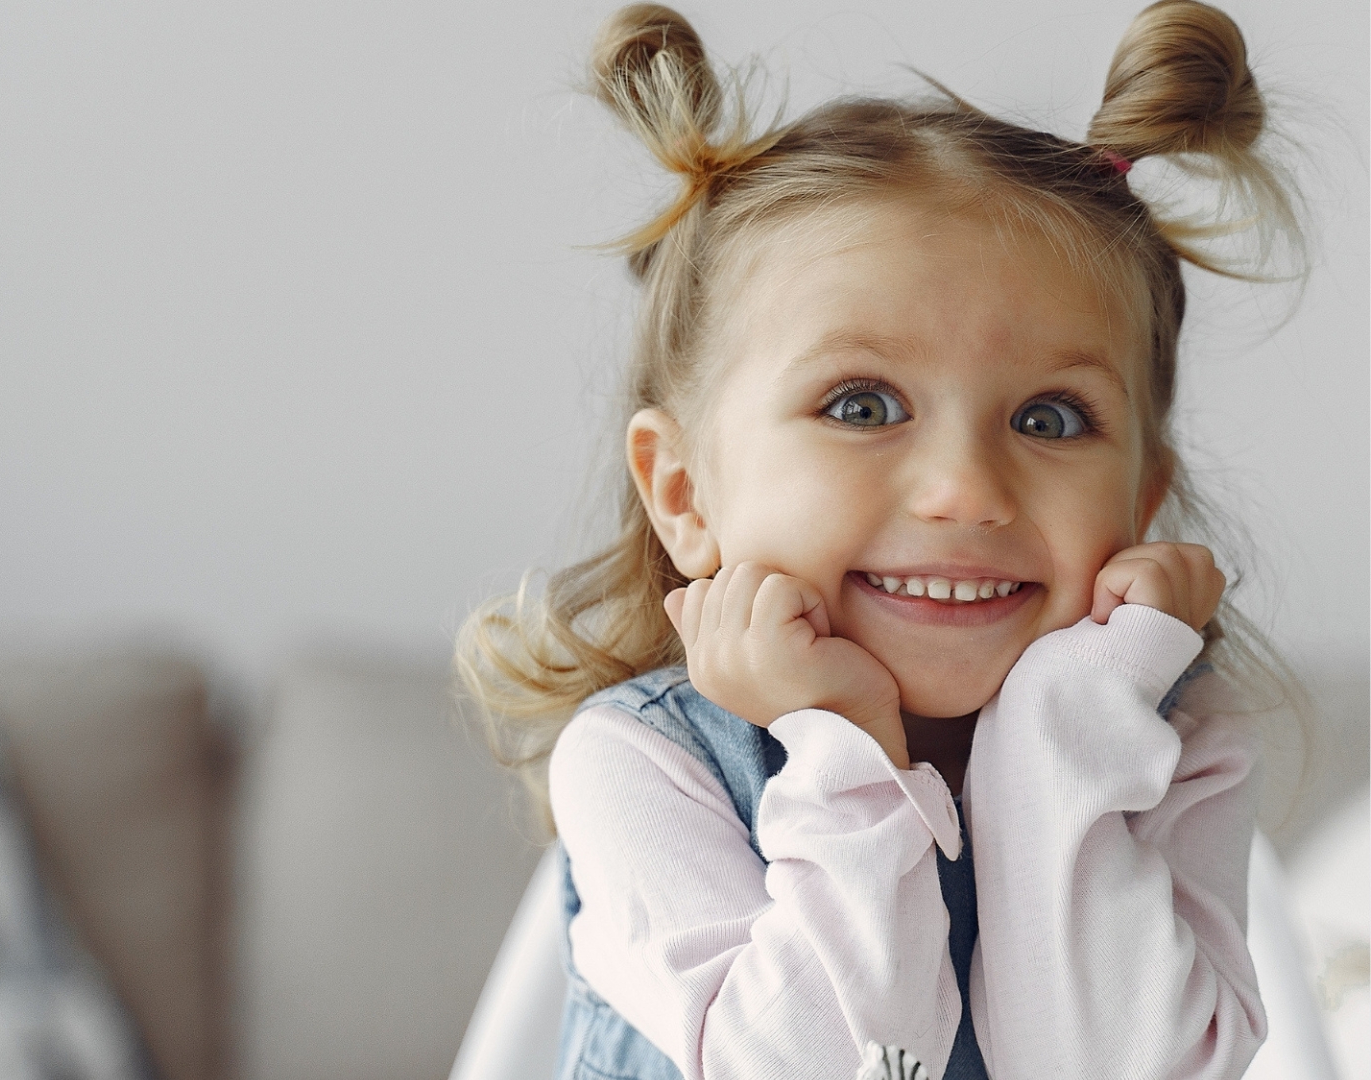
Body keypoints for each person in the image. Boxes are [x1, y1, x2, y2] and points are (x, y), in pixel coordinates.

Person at [455, 2, 1304, 1077]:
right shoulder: (643, 765)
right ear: (684, 491)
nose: (964, 491)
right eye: (861, 406)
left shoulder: (1176, 747)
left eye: (1050, 418)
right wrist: (842, 745)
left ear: (1140, 501)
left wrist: (1060, 736)